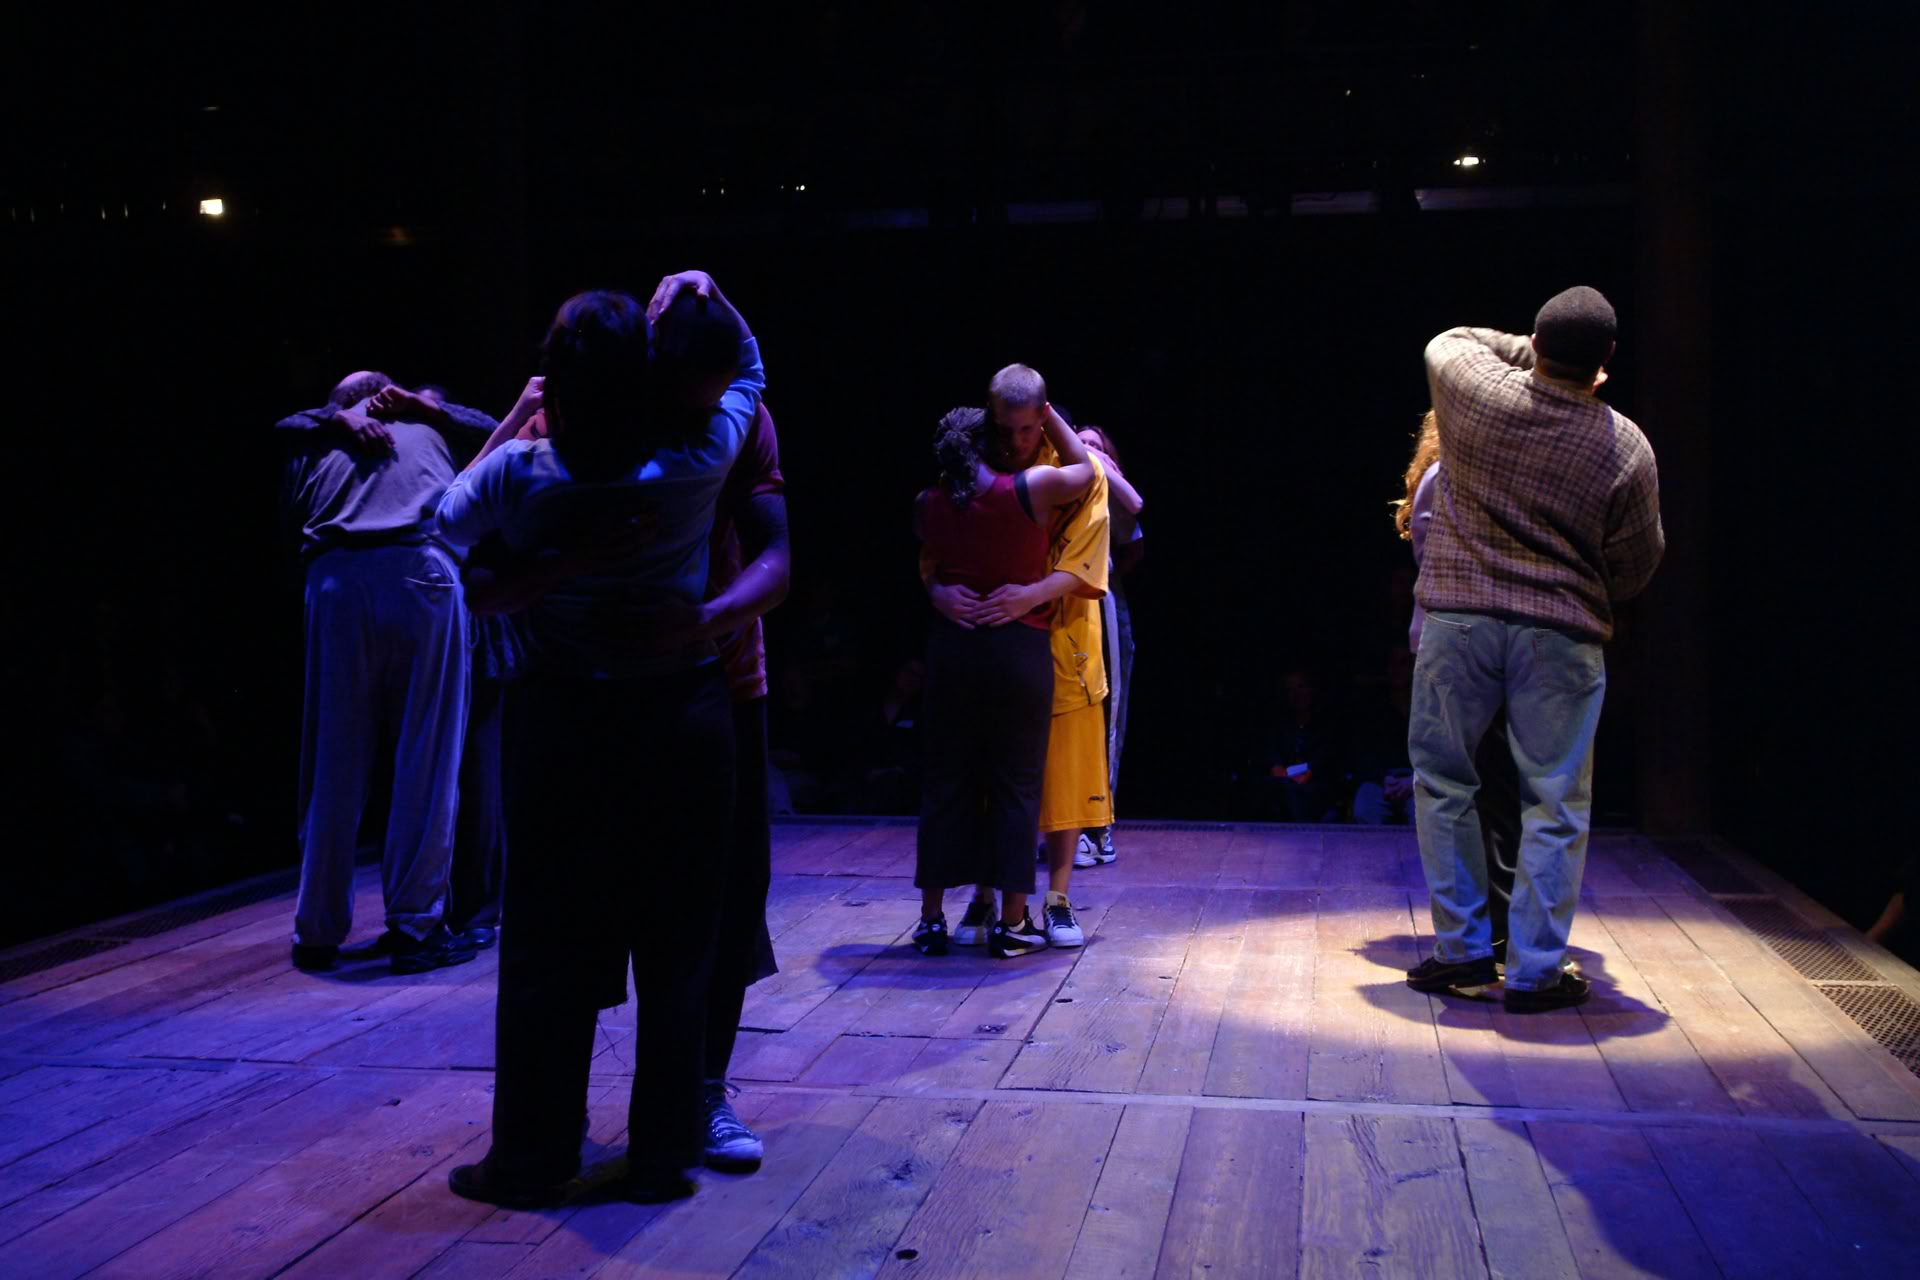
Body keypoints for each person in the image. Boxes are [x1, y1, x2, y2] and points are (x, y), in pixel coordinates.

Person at [438, 271, 764, 1207]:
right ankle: (661, 1155)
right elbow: (749, 365)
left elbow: (440, 534)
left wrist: (549, 552)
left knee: (549, 946)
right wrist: (709, 291)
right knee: (678, 943)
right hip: (680, 718)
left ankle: (534, 1157)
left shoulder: (522, 473)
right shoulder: (696, 458)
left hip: (566, 721)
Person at [1406, 286, 1664, 1012]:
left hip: (1460, 623)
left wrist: (1532, 352)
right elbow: (1637, 565)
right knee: (1554, 801)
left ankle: (1462, 954)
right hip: (1560, 632)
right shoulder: (1626, 445)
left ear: (1537, 344)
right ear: (1607, 359)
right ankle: (1535, 973)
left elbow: (1451, 336)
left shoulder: (1476, 392)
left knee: (1445, 785)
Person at [279, 372, 491, 976]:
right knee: (427, 753)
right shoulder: (427, 424)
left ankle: (317, 930)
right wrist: (424, 407)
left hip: (336, 578)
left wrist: (333, 421)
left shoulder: (314, 436)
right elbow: (490, 428)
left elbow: (289, 496)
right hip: (417, 567)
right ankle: (416, 926)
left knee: (334, 760)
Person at [916, 378, 1097, 960]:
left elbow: (933, 564)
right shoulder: (1028, 487)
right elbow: (1087, 471)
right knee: (1016, 787)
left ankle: (931, 919)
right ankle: (1013, 921)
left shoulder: (929, 501)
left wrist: (939, 592)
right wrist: (1048, 415)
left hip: (956, 646)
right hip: (1016, 647)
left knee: (948, 782)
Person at [1394, 412, 1521, 965]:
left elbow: (1430, 557)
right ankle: (1493, 932)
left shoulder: (1447, 476)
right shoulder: (1450, 476)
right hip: (1475, 644)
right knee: (1486, 788)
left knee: (1468, 789)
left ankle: (1484, 935)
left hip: (1465, 648)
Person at [1073, 425, 1143, 868]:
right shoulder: (1058, 486)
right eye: (1080, 442)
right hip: (1060, 609)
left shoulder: (1109, 489)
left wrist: (1103, 466)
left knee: (1106, 715)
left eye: (1096, 445)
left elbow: (1135, 513)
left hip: (1102, 606)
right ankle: (1067, 825)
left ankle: (1098, 825)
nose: (1087, 450)